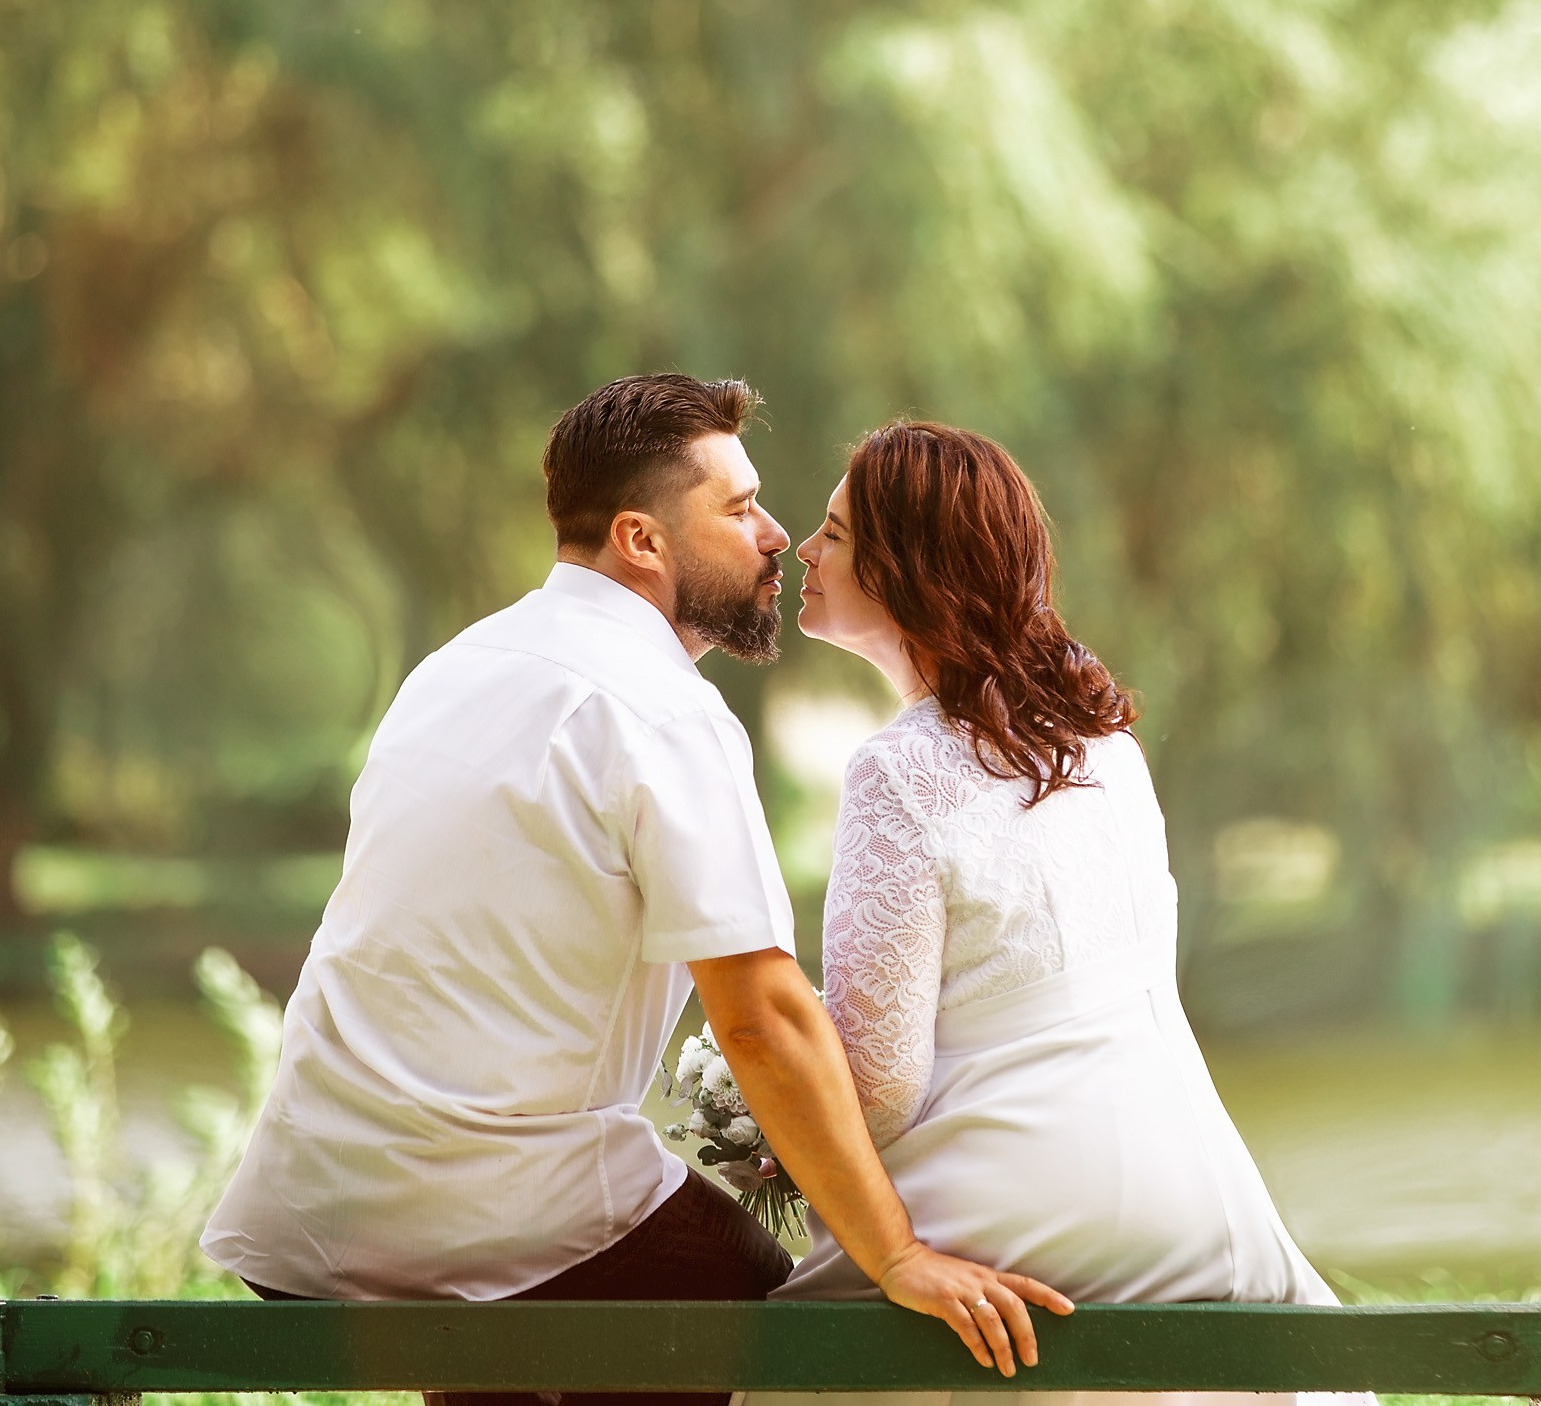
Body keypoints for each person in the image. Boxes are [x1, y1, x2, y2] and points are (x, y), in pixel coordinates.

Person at [201, 376, 1071, 1406]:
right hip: (497, 1212)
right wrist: (896, 1253)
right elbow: (759, 1017)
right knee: (798, 1344)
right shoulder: (661, 710)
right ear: (640, 539)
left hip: (310, 1207)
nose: (776, 536)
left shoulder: (452, 666)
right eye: (738, 508)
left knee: (511, 1333)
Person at [750, 420, 1373, 1406]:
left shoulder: (896, 770)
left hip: (1022, 1197)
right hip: (1191, 1187)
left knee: (790, 1352)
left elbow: (879, 1085)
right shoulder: (1104, 746)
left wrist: (772, 1118)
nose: (803, 549)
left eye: (835, 533)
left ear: (908, 570)